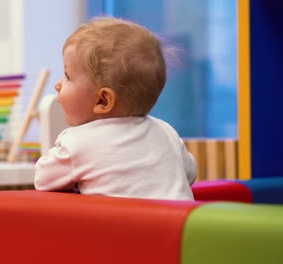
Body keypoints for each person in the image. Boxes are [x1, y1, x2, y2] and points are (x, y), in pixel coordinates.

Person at [34, 17, 197, 200]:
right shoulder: (167, 132)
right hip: (179, 225)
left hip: (125, 228)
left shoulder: (77, 142)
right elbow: (190, 173)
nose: (58, 85)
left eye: (68, 76)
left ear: (103, 101)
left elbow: (43, 179)